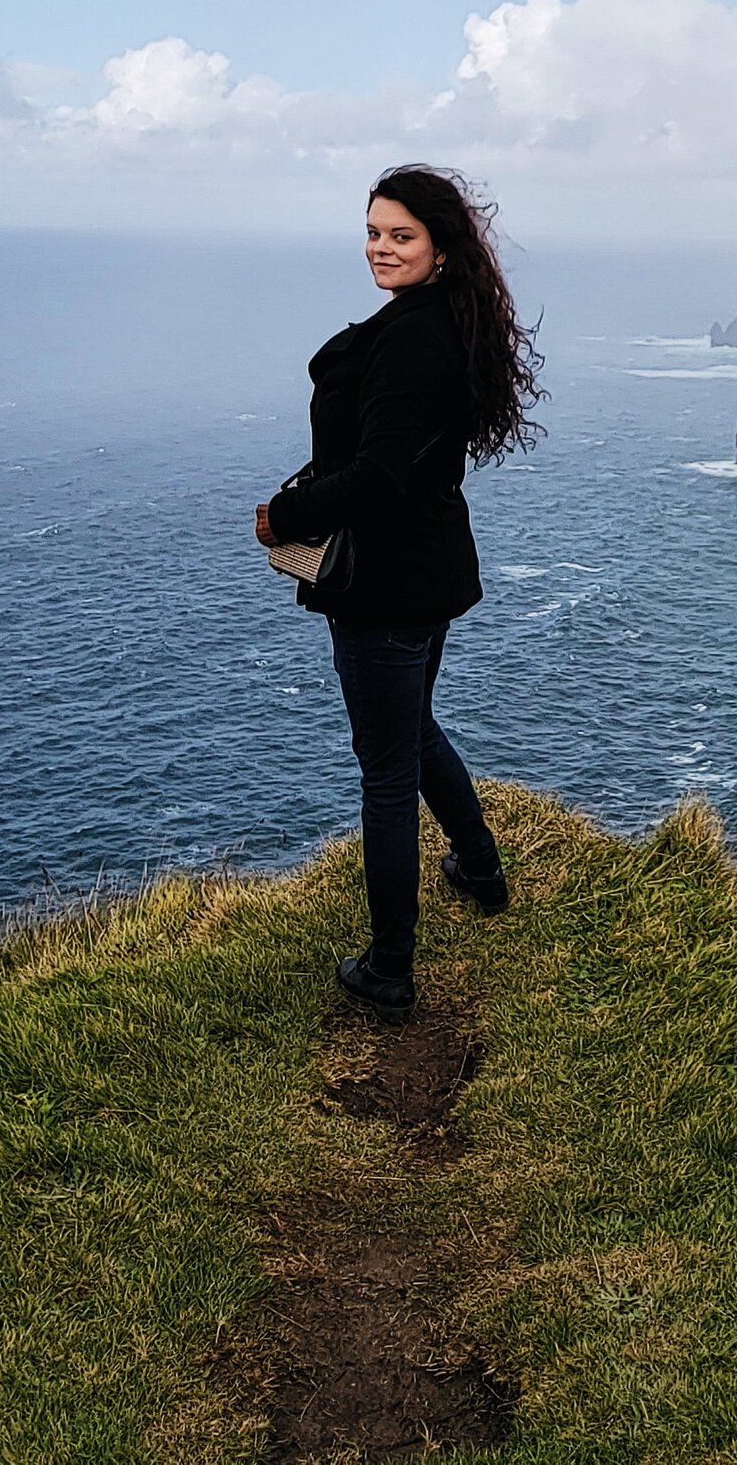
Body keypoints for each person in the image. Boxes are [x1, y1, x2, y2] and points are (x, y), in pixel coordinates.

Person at [255, 166, 544, 1022]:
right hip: (429, 568)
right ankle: (480, 868)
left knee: (384, 773)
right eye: (375, 233)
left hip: (383, 582)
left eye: (402, 236)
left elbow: (378, 474)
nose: (382, 248)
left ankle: (389, 968)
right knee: (413, 732)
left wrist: (285, 515)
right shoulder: (440, 318)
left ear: (442, 247)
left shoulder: (416, 338)